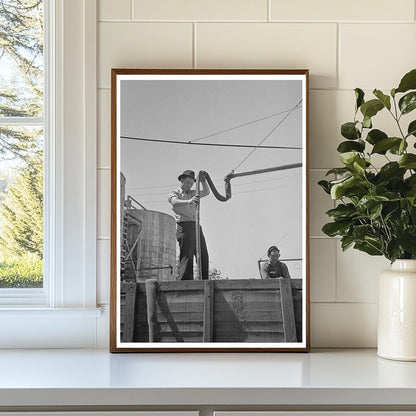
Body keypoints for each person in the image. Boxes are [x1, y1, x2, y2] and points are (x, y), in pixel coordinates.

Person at [168, 170, 210, 280]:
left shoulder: (193, 192)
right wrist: (189, 201)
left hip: (195, 226)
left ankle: (204, 280)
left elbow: (206, 191)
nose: (190, 185)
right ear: (181, 180)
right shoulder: (174, 193)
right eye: (187, 182)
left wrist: (203, 181)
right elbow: (174, 202)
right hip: (184, 226)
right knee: (187, 256)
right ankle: (186, 283)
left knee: (203, 254)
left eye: (192, 183)